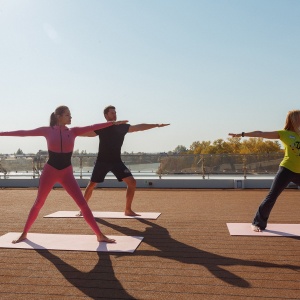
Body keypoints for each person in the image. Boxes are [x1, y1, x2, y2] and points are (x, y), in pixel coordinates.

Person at [0, 105, 128, 243]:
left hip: (66, 173)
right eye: (67, 115)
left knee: (83, 204)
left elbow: (92, 126)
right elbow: (23, 133)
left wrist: (112, 123)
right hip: (50, 172)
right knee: (39, 203)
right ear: (58, 116)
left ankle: (99, 235)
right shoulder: (47, 131)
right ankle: (24, 233)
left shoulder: (74, 131)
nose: (71, 117)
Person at [78, 105, 170, 217]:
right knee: (91, 185)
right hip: (102, 162)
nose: (115, 114)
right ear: (106, 116)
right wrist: (68, 133)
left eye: (115, 112)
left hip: (116, 162)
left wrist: (156, 125)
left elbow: (138, 127)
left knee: (132, 182)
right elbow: (86, 133)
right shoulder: (101, 128)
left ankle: (128, 210)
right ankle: (83, 209)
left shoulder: (121, 127)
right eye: (112, 113)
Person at [228, 109, 300, 232]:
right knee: (272, 196)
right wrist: (241, 134)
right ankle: (257, 223)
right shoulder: (284, 134)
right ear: (294, 119)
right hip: (287, 169)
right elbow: (260, 133)